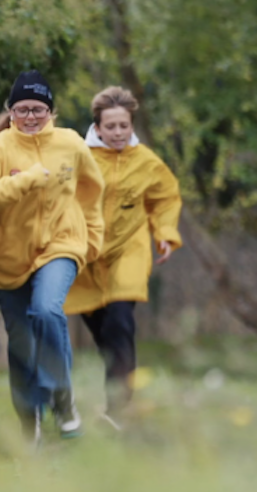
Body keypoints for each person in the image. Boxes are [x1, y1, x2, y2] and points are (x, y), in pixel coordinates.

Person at [0, 70, 105, 444]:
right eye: (23, 109)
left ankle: (62, 395)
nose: (31, 117)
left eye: (39, 110)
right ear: (11, 111)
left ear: (51, 112)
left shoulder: (71, 144)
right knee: (22, 344)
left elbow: (92, 191)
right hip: (8, 260)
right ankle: (31, 426)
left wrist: (92, 238)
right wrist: (24, 179)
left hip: (61, 245)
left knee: (46, 309)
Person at [65, 86, 182, 429]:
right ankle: (125, 385)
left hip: (128, 251)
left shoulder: (146, 162)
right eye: (111, 126)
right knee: (105, 335)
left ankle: (118, 411)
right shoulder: (77, 157)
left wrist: (165, 234)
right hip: (86, 256)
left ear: (132, 125)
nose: (118, 133)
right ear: (97, 127)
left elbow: (165, 199)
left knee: (119, 322)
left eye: (124, 126)